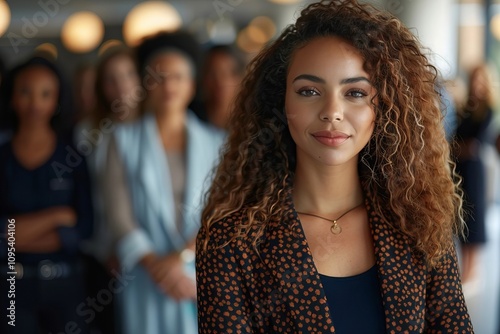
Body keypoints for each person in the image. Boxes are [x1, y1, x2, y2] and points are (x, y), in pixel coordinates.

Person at [196, 0, 473, 333]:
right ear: (280, 102)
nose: (332, 111)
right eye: (309, 90)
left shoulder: (419, 224)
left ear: (382, 107)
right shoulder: (230, 243)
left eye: (354, 92)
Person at [102, 31, 225, 334]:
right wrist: (157, 265)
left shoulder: (217, 143)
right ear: (145, 85)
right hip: (145, 275)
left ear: (192, 85)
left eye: (178, 77)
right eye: (159, 77)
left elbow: (220, 212)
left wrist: (182, 258)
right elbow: (119, 216)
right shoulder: (121, 140)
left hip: (198, 274)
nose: (169, 85)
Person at [0, 56, 93, 333]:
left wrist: (16, 235)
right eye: (25, 92)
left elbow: (83, 230)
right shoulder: (2, 159)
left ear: (57, 100)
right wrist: (57, 216)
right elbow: (1, 236)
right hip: (11, 288)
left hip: (67, 286)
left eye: (45, 94)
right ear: (12, 98)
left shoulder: (73, 156)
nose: (35, 104)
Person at [74, 45, 142, 334]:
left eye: (128, 75)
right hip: (101, 251)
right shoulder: (88, 132)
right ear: (101, 87)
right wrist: (108, 250)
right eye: (111, 79)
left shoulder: (154, 128)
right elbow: (92, 197)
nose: (121, 86)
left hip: (150, 249)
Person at [454, 64, 495, 284]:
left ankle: (472, 270)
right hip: (459, 171)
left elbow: (473, 145)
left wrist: (458, 147)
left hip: (474, 171)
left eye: (481, 79)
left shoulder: (487, 109)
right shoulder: (466, 109)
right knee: (462, 217)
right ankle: (465, 269)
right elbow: (455, 142)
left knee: (475, 218)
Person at [200, 45, 245, 129]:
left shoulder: (249, 121)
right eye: (212, 74)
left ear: (240, 78)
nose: (220, 82)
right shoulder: (190, 119)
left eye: (226, 73)